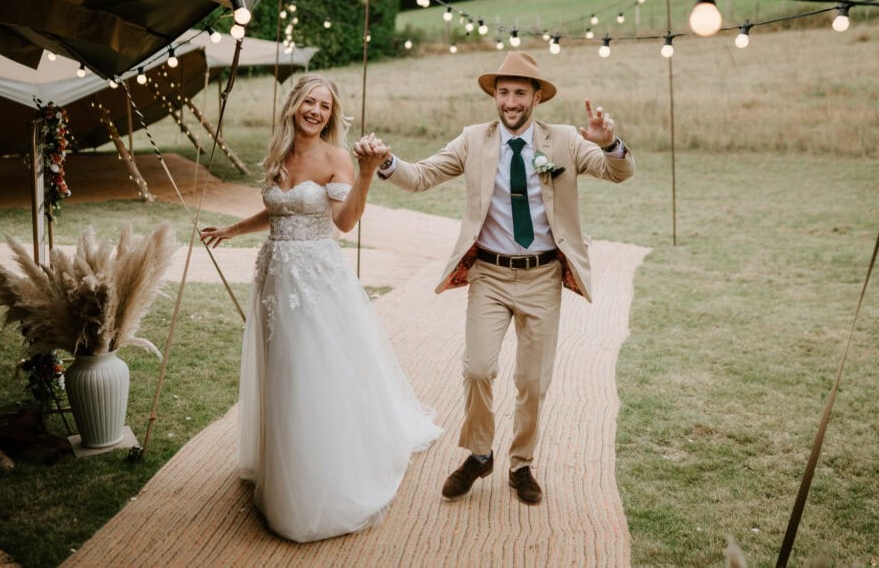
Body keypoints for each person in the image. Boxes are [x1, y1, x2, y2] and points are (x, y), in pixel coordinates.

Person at [354, 51, 634, 505]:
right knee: (478, 368)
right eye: (503, 92)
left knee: (532, 383)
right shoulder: (472, 140)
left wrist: (609, 143)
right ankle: (479, 454)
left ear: (536, 96)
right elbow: (421, 176)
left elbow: (618, 172)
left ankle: (521, 464)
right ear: (494, 96)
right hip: (490, 275)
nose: (510, 101)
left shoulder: (563, 140)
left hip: (543, 277)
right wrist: (387, 162)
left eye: (519, 92)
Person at [200, 74, 441, 543]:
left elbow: (345, 222)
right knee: (282, 372)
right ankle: (283, 463)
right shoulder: (280, 154)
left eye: (325, 106)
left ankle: (316, 486)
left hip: (315, 280)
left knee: (311, 371)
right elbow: (280, 210)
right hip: (274, 276)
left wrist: (366, 173)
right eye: (309, 102)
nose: (316, 111)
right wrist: (233, 230)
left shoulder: (335, 159)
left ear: (332, 115)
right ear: (293, 105)